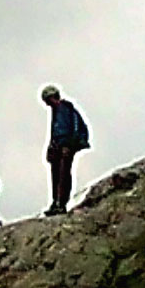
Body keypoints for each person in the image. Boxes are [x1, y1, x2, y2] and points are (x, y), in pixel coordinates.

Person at [42, 84, 89, 215]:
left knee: (63, 174)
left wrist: (69, 145)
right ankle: (55, 202)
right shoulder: (56, 111)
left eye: (48, 100)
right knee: (55, 174)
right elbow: (54, 132)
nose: (48, 104)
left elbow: (73, 128)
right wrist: (51, 147)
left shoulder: (66, 108)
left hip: (66, 146)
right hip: (58, 146)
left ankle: (61, 203)